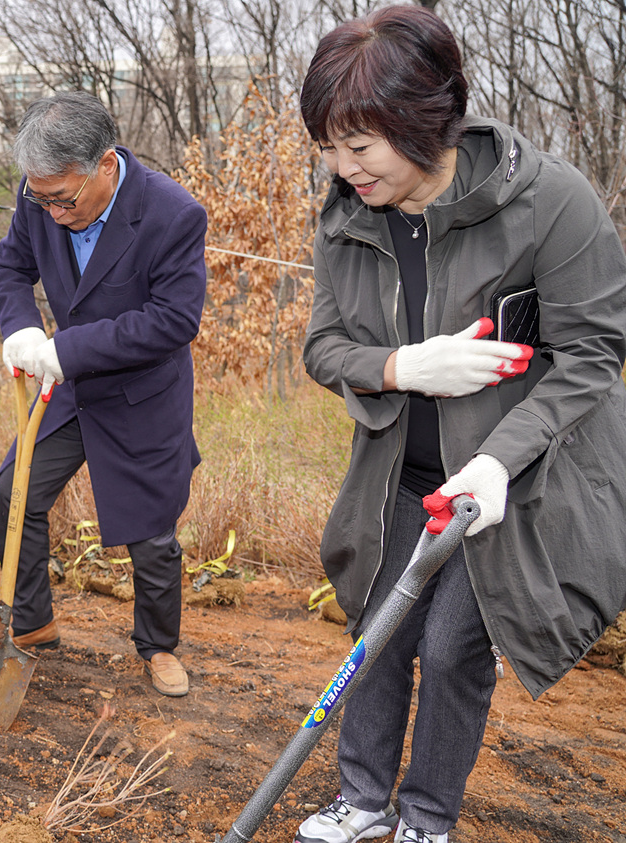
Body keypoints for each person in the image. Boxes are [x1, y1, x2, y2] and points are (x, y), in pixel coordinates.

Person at [295, 7, 626, 843]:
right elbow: (325, 346)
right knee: (376, 641)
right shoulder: (347, 218)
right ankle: (363, 802)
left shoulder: (550, 203)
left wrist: (498, 462)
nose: (340, 167)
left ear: (420, 123)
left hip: (518, 481)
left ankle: (427, 818)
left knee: (450, 650)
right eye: (329, 146)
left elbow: (592, 356)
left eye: (358, 147)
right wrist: (404, 367)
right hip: (400, 476)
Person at [0, 92, 208, 698]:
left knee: (151, 531)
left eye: (64, 199)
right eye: (42, 198)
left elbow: (174, 320)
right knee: (15, 494)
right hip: (72, 389)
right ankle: (31, 626)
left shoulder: (172, 214)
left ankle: (158, 647)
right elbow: (7, 270)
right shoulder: (40, 198)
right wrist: (24, 327)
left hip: (142, 394)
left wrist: (69, 349)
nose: (53, 213)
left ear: (105, 165)